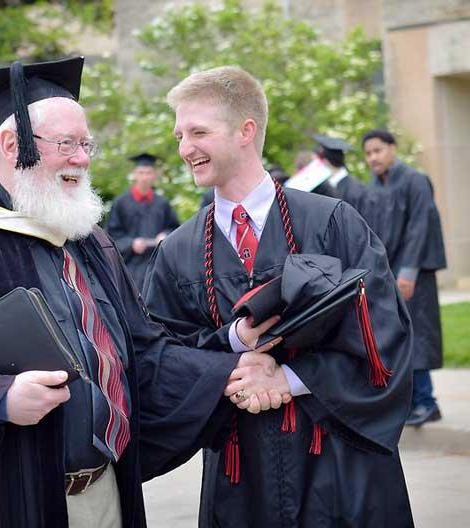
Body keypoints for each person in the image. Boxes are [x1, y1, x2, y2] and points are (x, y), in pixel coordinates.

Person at [0, 57, 277, 528]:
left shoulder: (88, 240)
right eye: (66, 144)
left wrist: (229, 366)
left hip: (104, 493)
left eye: (86, 144)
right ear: (14, 145)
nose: (82, 158)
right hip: (5, 499)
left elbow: (144, 351)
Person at [143, 66, 414, 527]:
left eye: (198, 132)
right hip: (239, 473)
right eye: (179, 135)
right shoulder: (179, 251)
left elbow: (383, 337)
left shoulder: (333, 222)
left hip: (337, 465)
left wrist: (288, 379)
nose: (184, 148)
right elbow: (158, 357)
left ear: (246, 131)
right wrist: (232, 347)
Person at [363, 129, 447, 427]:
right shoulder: (373, 187)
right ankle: (411, 403)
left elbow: (420, 227)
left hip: (414, 273)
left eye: (378, 150)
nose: (373, 157)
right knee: (397, 337)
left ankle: (427, 401)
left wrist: (408, 272)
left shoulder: (414, 180)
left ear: (392, 149)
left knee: (418, 334)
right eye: (368, 153)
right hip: (389, 275)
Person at [107, 153, 180, 290]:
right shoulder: (121, 203)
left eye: (148, 173)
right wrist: (131, 244)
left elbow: (175, 229)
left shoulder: (162, 203)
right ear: (134, 175)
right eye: (141, 173)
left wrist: (165, 236)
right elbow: (111, 236)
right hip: (130, 269)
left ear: (154, 175)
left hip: (158, 267)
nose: (145, 177)